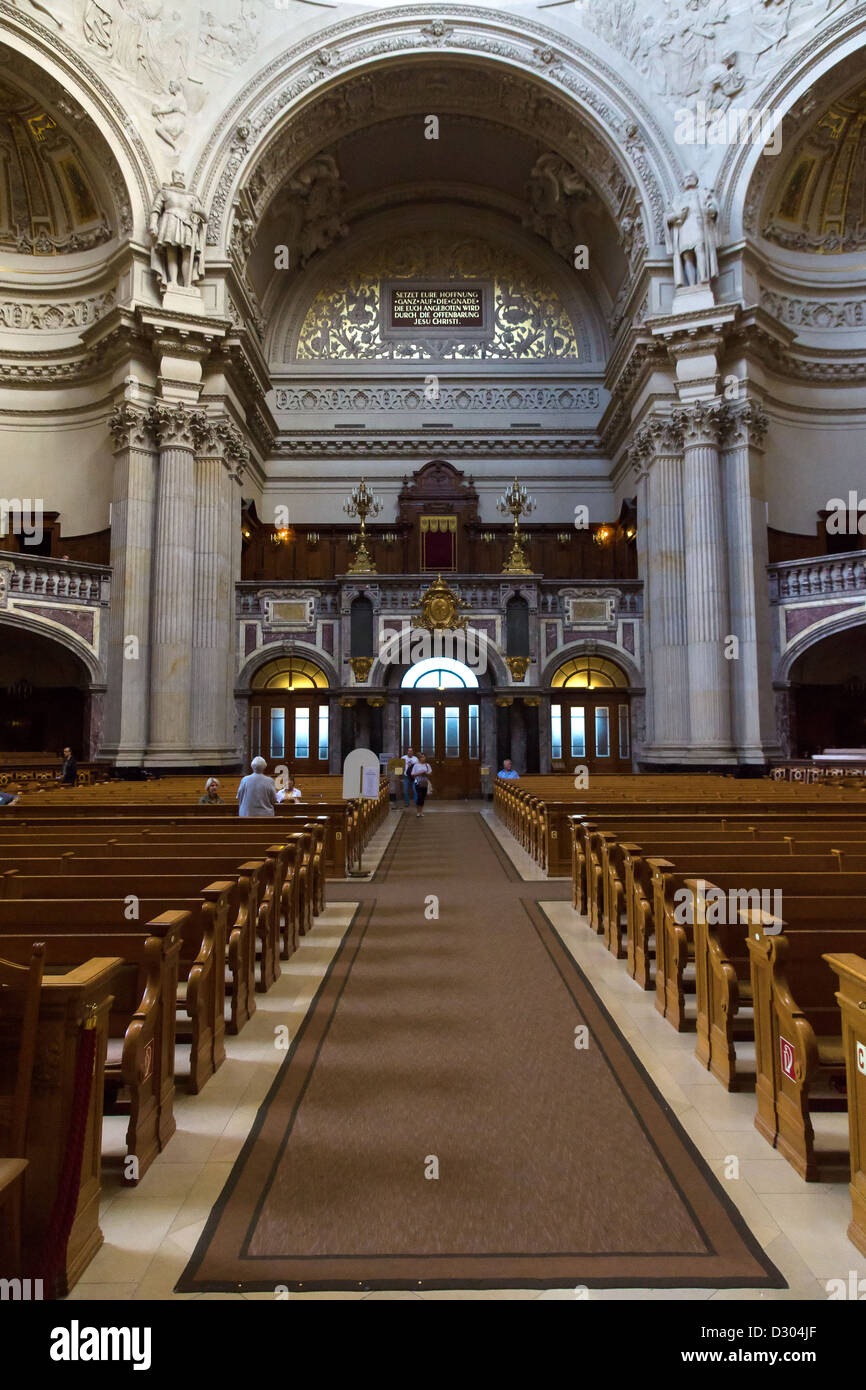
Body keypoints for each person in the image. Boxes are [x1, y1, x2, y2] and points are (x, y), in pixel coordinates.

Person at [411, 751, 432, 819]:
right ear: (419, 758)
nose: (423, 758)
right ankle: (418, 811)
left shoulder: (427, 765)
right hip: (418, 782)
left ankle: (421, 811)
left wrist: (426, 773)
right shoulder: (416, 765)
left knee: (423, 797)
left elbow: (430, 773)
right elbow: (412, 774)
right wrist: (419, 773)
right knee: (419, 796)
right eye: (421, 757)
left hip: (424, 782)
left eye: (424, 757)